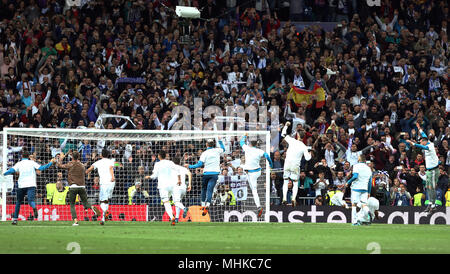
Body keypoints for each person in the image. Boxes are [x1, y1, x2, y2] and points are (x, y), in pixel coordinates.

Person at [3, 150, 56, 225]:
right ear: (28, 156)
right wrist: (50, 163)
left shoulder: (19, 163)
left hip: (21, 185)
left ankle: (15, 219)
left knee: (18, 202)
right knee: (31, 201)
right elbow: (41, 168)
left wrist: (4, 173)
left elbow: (12, 170)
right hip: (31, 184)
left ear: (22, 156)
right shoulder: (32, 162)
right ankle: (34, 207)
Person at [58, 151, 100, 226]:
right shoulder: (82, 165)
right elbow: (85, 172)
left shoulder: (70, 164)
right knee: (85, 203)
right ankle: (92, 207)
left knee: (72, 204)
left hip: (73, 187)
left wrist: (61, 158)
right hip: (82, 187)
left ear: (72, 157)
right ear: (78, 157)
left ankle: (75, 221)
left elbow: (59, 165)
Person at [406, 122, 440, 215]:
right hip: (429, 171)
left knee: (432, 188)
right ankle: (430, 204)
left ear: (424, 141)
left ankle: (433, 206)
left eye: (421, 141)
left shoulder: (430, 146)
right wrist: (419, 128)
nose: (420, 142)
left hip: (433, 170)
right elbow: (424, 135)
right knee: (428, 188)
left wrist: (413, 143)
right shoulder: (427, 141)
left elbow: (422, 146)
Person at [186, 138, 225, 216]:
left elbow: (199, 164)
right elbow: (223, 149)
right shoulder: (217, 150)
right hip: (215, 174)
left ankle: (203, 205)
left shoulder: (204, 153)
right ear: (213, 144)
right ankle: (207, 205)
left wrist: (189, 166)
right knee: (210, 189)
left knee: (204, 189)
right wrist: (220, 141)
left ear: (206, 144)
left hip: (206, 173)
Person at [239, 133, 273, 217]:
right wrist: (271, 164)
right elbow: (267, 156)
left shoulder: (247, 148)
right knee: (242, 166)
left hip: (252, 173)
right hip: (258, 171)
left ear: (249, 143)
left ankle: (258, 206)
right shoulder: (260, 151)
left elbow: (241, 142)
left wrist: (245, 135)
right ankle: (245, 171)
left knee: (254, 190)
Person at [280, 122, 312, 206]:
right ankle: (293, 198)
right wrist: (310, 153)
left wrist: (286, 125)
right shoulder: (304, 146)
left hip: (287, 163)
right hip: (295, 165)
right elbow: (308, 158)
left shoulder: (292, 141)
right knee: (295, 182)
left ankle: (284, 198)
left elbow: (283, 134)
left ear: (297, 135)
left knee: (286, 181)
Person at [149, 151, 182, 226]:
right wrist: (179, 179)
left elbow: (154, 176)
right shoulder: (170, 162)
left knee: (166, 202)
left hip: (163, 186)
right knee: (175, 200)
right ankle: (180, 210)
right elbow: (178, 169)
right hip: (171, 185)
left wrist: (149, 177)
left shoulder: (157, 164)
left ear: (159, 156)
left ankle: (172, 217)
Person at [86, 149, 115, 225]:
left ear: (101, 155)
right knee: (107, 200)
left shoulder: (98, 162)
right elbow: (112, 167)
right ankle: (105, 215)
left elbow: (89, 169)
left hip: (104, 184)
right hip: (112, 183)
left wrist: (85, 171)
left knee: (102, 201)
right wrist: (112, 177)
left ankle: (104, 215)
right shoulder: (111, 161)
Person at [345, 154, 373, 226]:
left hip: (356, 188)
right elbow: (370, 182)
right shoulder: (368, 168)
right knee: (364, 204)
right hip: (365, 189)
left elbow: (355, 176)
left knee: (354, 205)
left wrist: (348, 182)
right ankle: (367, 212)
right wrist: (369, 192)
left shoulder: (356, 166)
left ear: (359, 159)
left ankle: (354, 222)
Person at [172, 157, 192, 223]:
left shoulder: (172, 168)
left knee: (176, 202)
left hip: (176, 187)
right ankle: (177, 218)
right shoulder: (183, 168)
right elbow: (190, 174)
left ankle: (184, 208)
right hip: (184, 188)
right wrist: (189, 184)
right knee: (178, 202)